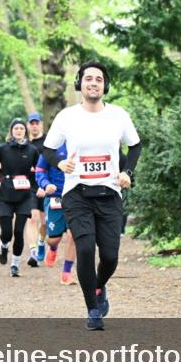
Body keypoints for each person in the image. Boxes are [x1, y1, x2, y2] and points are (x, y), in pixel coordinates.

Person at [42, 61, 141, 330]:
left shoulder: (118, 115)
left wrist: (127, 172)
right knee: (84, 248)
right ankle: (92, 310)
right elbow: (48, 149)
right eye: (88, 79)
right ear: (80, 84)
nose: (94, 83)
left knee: (110, 257)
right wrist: (60, 164)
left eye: (99, 79)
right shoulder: (66, 117)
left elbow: (134, 146)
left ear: (105, 85)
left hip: (109, 192)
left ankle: (99, 286)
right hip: (77, 193)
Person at [0, 118, 40, 277]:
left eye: (22, 128)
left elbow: (39, 172)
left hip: (24, 197)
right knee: (7, 232)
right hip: (5, 196)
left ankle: (15, 264)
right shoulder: (2, 149)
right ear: (11, 131)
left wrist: (36, 189)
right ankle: (4, 246)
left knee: (19, 231)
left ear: (25, 131)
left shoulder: (32, 150)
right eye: (16, 128)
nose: (19, 131)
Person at [34, 141, 78, 285]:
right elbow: (39, 170)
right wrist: (46, 184)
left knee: (74, 235)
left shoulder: (82, 143)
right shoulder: (52, 147)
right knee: (54, 239)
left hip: (77, 197)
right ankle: (52, 248)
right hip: (55, 197)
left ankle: (66, 273)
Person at [26, 111, 48, 266]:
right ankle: (33, 252)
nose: (34, 126)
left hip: (47, 186)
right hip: (29, 187)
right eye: (31, 124)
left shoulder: (49, 142)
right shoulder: (25, 144)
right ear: (28, 126)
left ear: (41, 125)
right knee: (32, 219)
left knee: (45, 221)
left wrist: (46, 185)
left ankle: (41, 241)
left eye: (37, 123)